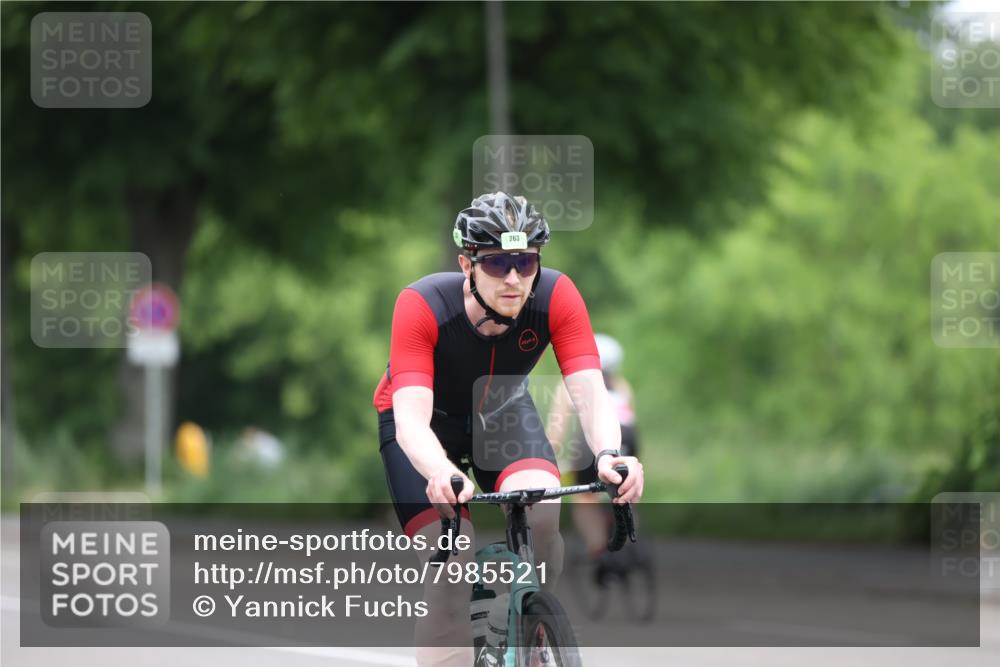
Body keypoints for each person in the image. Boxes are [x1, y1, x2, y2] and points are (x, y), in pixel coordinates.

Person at [373, 192, 644, 667]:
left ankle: (534, 628)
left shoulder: (557, 295)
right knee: (450, 568)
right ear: (467, 264)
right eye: (498, 263)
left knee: (541, 516)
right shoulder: (421, 304)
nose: (515, 278)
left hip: (500, 410)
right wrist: (439, 470)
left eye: (526, 262)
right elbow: (411, 418)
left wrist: (608, 455)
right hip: (423, 428)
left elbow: (589, 391)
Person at [547, 333, 639, 575]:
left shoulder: (571, 384)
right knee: (625, 487)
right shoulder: (622, 385)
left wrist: (549, 459)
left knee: (584, 499)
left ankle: (600, 552)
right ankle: (631, 535)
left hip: (591, 446)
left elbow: (557, 433)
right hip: (628, 434)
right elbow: (630, 418)